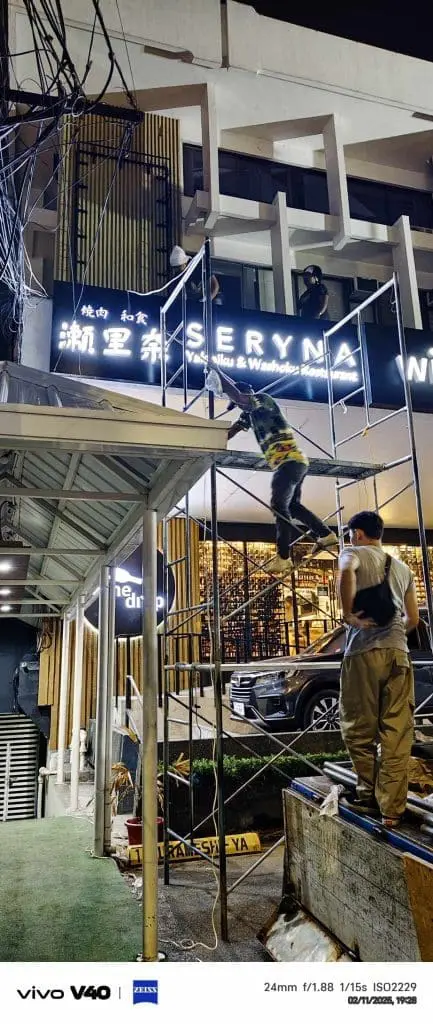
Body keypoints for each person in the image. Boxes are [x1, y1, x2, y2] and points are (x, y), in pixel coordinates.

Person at [337, 510, 419, 828]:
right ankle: (393, 811)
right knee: (397, 733)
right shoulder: (402, 568)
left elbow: (345, 572)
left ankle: (368, 797)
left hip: (362, 653)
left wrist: (348, 615)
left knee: (359, 730)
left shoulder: (352, 552)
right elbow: (413, 619)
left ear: (358, 534)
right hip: (399, 654)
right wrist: (393, 634)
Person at [213, 370, 338, 573]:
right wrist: (206, 440)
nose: (238, 406)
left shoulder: (263, 400)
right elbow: (232, 431)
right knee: (293, 506)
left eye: (238, 402)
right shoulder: (249, 414)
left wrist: (218, 375)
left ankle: (284, 557)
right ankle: (325, 535)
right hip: (294, 462)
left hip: (288, 461)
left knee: (279, 505)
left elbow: (241, 398)